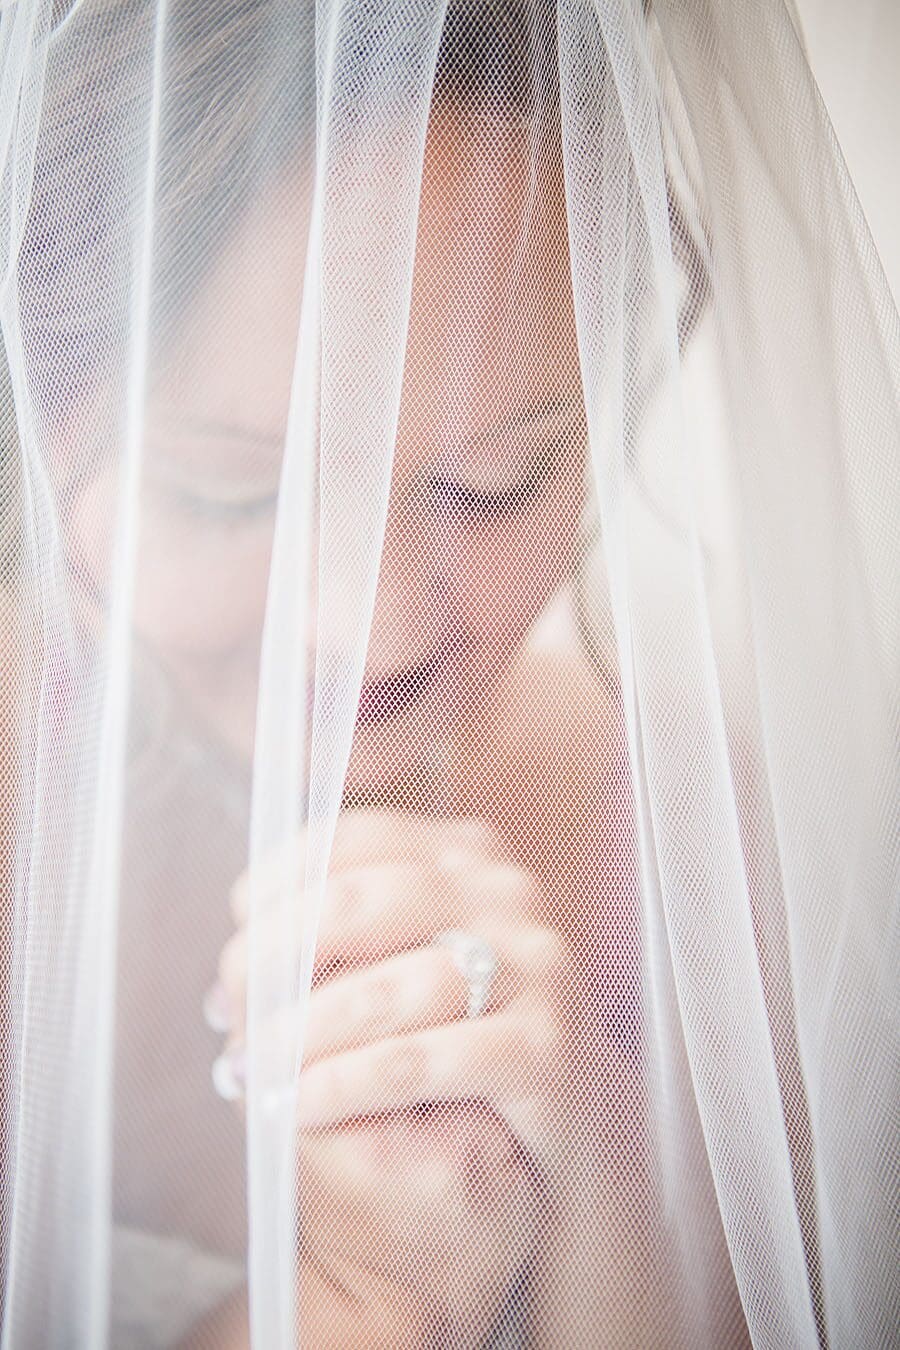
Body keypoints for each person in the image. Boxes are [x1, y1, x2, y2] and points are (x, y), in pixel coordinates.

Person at [1, 1, 896, 1347]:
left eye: (497, 478)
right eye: (227, 492)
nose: (369, 632)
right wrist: (366, 1302)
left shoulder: (709, 865)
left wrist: (600, 1209)